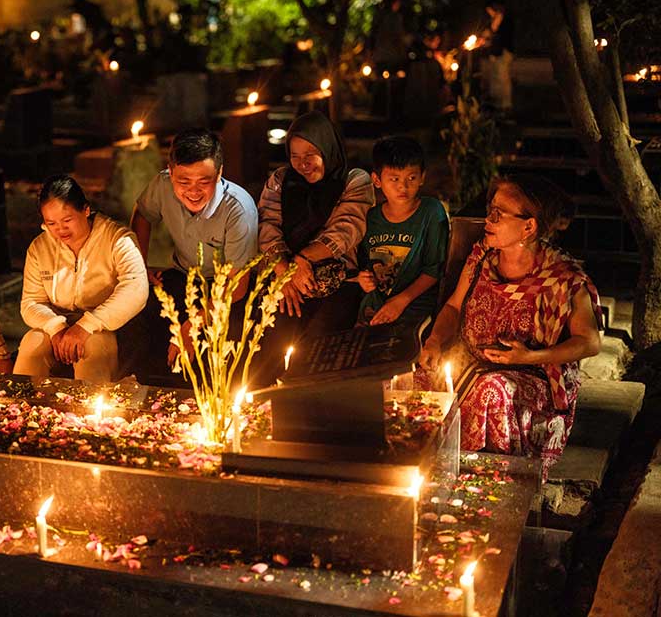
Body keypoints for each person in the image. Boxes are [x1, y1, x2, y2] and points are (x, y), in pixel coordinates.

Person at [418, 175, 602, 479]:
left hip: (532, 374)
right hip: (473, 363)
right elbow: (452, 306)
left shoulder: (562, 278)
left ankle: (491, 480)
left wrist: (528, 357)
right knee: (420, 379)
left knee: (492, 391)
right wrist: (435, 341)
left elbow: (589, 342)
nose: (488, 220)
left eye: (499, 214)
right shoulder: (480, 259)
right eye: (491, 210)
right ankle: (426, 476)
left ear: (528, 227)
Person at [257, 111, 374, 378]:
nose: (303, 164)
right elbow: (267, 226)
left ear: (327, 146)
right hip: (286, 281)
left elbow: (346, 230)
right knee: (271, 347)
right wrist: (285, 272)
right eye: (295, 156)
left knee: (317, 351)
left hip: (339, 282)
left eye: (310, 154)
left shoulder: (354, 180)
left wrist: (303, 260)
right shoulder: (280, 181)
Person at [130, 128, 258, 372]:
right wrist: (139, 266)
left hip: (227, 289)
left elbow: (237, 286)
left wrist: (192, 325)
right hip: (183, 275)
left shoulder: (238, 210)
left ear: (219, 173)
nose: (193, 191)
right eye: (184, 181)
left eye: (204, 181)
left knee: (204, 348)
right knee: (136, 315)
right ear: (170, 172)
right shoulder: (162, 184)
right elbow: (143, 214)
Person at [16, 175, 148, 382]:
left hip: (107, 326)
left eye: (67, 220)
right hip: (60, 323)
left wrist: (87, 325)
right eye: (51, 223)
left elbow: (136, 289)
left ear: (86, 210)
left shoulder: (117, 239)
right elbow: (31, 302)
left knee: (92, 348)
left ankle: (89, 411)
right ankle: (24, 406)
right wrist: (55, 327)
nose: (60, 229)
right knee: (32, 342)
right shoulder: (39, 248)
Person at [357, 136, 448, 327]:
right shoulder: (370, 218)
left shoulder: (431, 212)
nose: (403, 186)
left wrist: (401, 301)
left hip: (416, 306)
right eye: (394, 179)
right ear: (377, 180)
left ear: (422, 176)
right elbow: (365, 264)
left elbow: (434, 270)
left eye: (411, 178)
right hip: (375, 307)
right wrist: (364, 279)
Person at [479, 0, 514, 114]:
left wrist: (490, 40)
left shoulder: (504, 19)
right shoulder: (494, 20)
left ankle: (505, 105)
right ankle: (497, 104)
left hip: (503, 52)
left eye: (490, 10)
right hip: (495, 52)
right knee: (495, 77)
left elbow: (502, 36)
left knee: (502, 77)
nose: (489, 13)